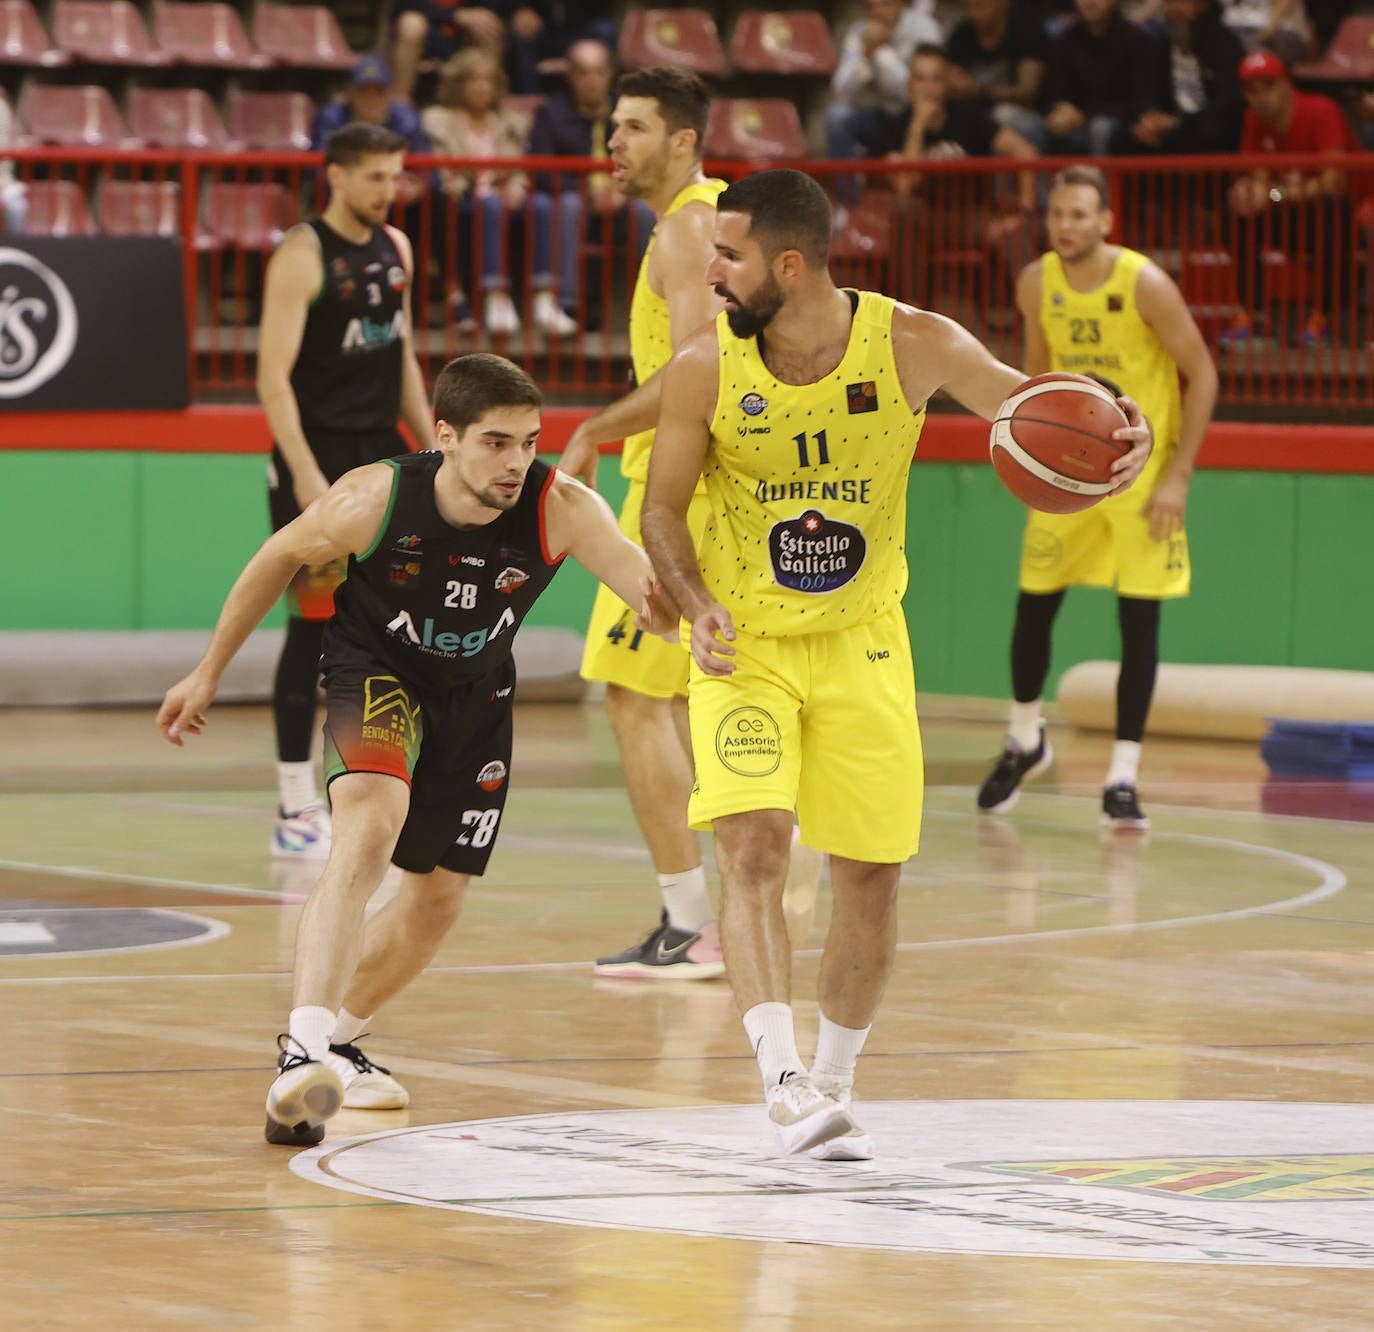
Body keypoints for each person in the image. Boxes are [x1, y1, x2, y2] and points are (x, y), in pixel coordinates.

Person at [640, 168, 1155, 1157]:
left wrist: (1114, 427)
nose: (710, 271)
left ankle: (833, 1083)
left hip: (865, 641)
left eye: (729, 254)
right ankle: (782, 1078)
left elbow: (1036, 404)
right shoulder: (705, 366)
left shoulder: (912, 342)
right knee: (752, 843)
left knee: (870, 875)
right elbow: (663, 510)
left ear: (789, 266)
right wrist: (696, 602)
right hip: (741, 645)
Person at [157, 353, 679, 1146]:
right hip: (378, 672)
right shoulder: (374, 497)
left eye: (530, 442)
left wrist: (699, 619)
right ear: (445, 437)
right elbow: (278, 558)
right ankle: (301, 1052)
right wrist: (207, 670)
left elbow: (648, 588)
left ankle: (335, 1039)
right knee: (369, 827)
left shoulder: (560, 508)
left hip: (475, 701)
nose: (517, 462)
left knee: (437, 900)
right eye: (496, 443)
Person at [559, 66, 767, 977]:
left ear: (683, 141)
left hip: (677, 498)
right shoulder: (707, 222)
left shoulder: (688, 229)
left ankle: (694, 925)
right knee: (686, 706)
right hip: (706, 494)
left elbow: (697, 365)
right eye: (613, 126)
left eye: (635, 127)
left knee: (634, 700)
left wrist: (594, 429)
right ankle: (744, 903)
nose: (615, 142)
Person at [977, 163, 1217, 829]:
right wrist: (1026, 453)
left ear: (1106, 221)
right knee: (1033, 606)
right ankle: (1024, 738)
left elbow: (1202, 373)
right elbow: (1032, 380)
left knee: (1138, 624)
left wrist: (1178, 476)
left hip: (1140, 478)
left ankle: (1122, 774)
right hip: (1070, 477)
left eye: (1081, 214)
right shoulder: (1036, 283)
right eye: (1058, 214)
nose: (1066, 225)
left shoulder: (1144, 283)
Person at [255, 123, 435, 860]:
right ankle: (296, 802)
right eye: (373, 178)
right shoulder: (303, 256)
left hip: (384, 462)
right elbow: (270, 376)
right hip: (320, 461)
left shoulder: (396, 249)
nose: (386, 191)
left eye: (393, 177)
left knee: (400, 628)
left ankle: (384, 788)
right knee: (315, 625)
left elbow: (403, 357)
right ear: (336, 175)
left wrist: (433, 450)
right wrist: (303, 472)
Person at [422, 48, 576, 336]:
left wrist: (516, 187)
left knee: (541, 204)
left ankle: (544, 298)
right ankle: (496, 298)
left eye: (488, 80)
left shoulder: (512, 122)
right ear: (458, 85)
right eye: (473, 80)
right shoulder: (439, 120)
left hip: (504, 195)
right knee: (490, 206)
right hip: (465, 199)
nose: (482, 87)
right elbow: (441, 167)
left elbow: (519, 166)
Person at [1224, 49, 1361, 346]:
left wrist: (1274, 194)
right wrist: (1250, 194)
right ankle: (1253, 315)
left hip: (1350, 212)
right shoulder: (1253, 121)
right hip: (1295, 213)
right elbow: (1258, 177)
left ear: (1287, 84)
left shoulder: (1320, 110)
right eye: (1252, 90)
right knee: (1239, 214)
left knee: (1328, 211)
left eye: (1268, 86)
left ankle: (1324, 319)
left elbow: (1333, 182)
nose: (1261, 97)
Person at [1110, 0, 1245, 155]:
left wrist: (1179, 123)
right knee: (1122, 137)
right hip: (1167, 129)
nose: (1175, 9)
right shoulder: (1159, 46)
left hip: (1206, 128)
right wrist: (1148, 118)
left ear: (1203, 6)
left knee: (1212, 133)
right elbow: (1144, 92)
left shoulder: (1226, 45)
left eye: (1183, 2)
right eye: (1170, 2)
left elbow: (1229, 103)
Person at [1040, 0, 1155, 157]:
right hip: (1070, 124)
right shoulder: (1065, 40)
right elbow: (1049, 93)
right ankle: (1040, 182)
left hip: (1116, 127)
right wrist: (1059, 109)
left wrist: (1085, 116)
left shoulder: (1135, 39)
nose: (1090, 2)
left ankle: (1100, 181)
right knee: (1009, 117)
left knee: (1101, 126)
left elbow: (1138, 102)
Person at [943, 0, 1051, 150]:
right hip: (975, 115)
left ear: (1002, 4)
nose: (973, 14)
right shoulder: (961, 34)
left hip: (1030, 117)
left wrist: (978, 91)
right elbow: (948, 77)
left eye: (981, 6)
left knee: (1003, 115)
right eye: (970, 7)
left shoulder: (1027, 31)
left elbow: (1027, 92)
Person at [390, 1, 505, 104]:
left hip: (462, 37)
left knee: (489, 26)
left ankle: (489, 104)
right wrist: (455, 15)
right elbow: (404, 5)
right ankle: (399, 102)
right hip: (426, 32)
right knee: (411, 24)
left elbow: (491, 6)